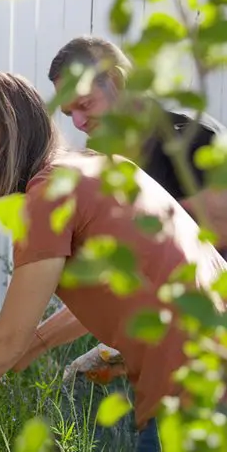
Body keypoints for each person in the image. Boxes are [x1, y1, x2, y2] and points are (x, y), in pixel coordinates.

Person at [0, 71, 227, 452]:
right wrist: (38, 344)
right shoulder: (99, 167)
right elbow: (134, 283)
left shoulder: (49, 196)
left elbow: (8, 338)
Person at [14, 35, 226, 383]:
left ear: (115, 81)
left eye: (85, 104)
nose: (79, 123)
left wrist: (34, 342)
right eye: (69, 114)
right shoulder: (115, 162)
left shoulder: (191, 139)